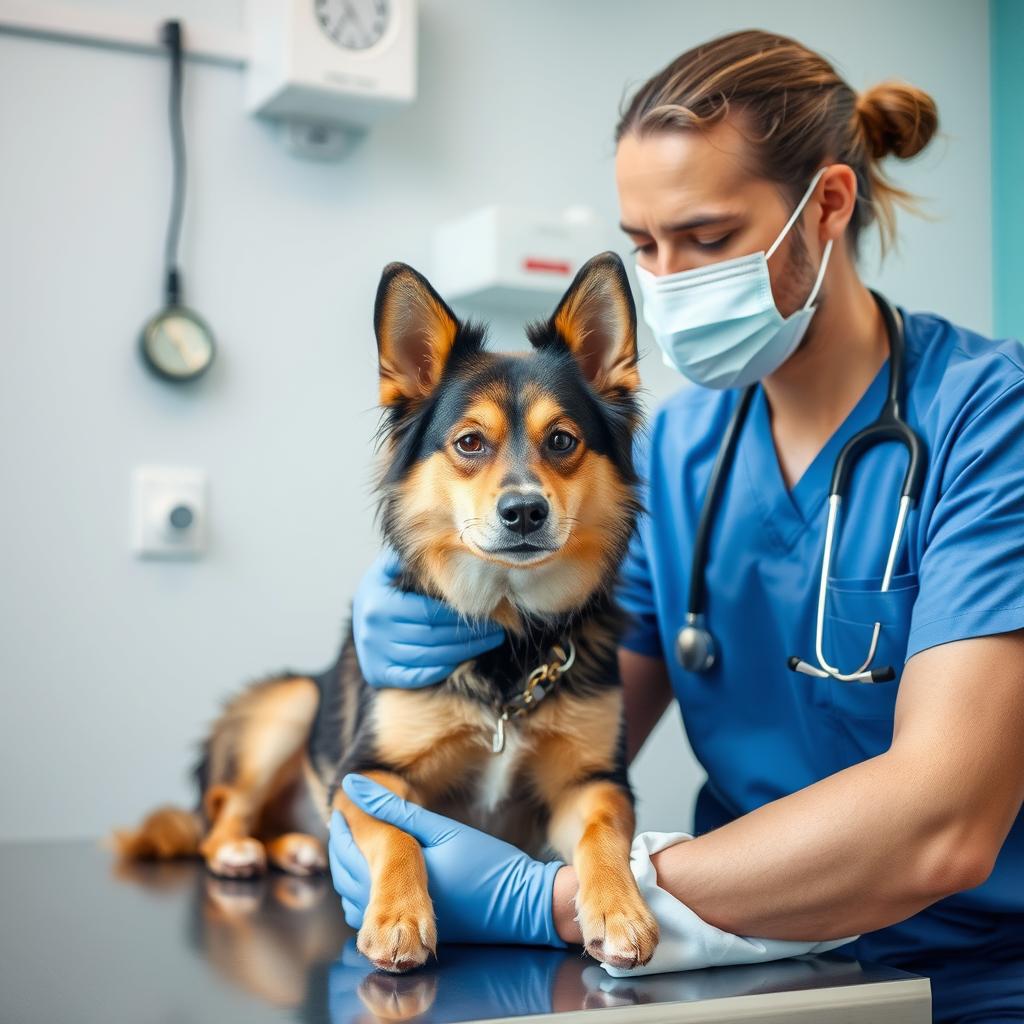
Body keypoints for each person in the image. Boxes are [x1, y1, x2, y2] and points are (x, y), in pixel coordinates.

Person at [330, 29, 1024, 1020]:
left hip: (972, 978)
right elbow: (574, 714)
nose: (667, 280)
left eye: (706, 237)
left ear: (828, 206)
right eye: (645, 244)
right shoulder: (679, 446)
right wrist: (451, 615)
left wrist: (556, 902)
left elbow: (942, 824)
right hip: (748, 965)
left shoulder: (989, 420)